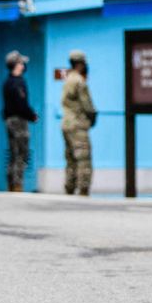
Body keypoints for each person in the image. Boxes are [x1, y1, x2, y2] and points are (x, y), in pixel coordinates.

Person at [60, 49, 96, 196]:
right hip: (78, 125)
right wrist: (92, 117)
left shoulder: (68, 79)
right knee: (83, 159)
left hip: (66, 124)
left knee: (70, 159)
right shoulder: (79, 81)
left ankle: (69, 189)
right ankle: (83, 190)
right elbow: (87, 105)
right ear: (81, 64)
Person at [2, 50, 38, 192]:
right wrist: (32, 116)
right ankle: (17, 185)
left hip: (9, 120)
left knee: (13, 153)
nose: (23, 65)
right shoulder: (18, 83)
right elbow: (21, 104)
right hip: (19, 121)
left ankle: (10, 184)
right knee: (21, 153)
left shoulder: (7, 82)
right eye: (21, 63)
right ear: (17, 65)